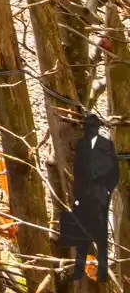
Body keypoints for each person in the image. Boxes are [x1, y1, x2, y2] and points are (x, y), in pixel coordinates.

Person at [59, 111, 119, 285]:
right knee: (81, 233)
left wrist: (107, 192)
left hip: (100, 195)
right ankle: (79, 271)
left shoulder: (106, 145)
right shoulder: (81, 146)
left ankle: (101, 273)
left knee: (100, 235)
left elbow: (114, 172)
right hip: (83, 196)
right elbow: (77, 170)